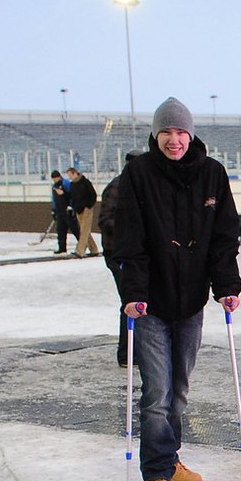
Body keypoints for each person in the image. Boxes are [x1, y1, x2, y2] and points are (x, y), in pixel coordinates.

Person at [114, 97, 241, 481]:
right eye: (166, 132)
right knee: (157, 392)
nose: (174, 140)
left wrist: (226, 285)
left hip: (191, 303)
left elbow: (224, 238)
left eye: (180, 132)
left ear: (191, 134)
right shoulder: (138, 174)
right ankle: (155, 474)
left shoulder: (212, 175)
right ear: (156, 134)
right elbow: (127, 239)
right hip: (150, 304)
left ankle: (169, 460)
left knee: (180, 391)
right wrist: (132, 293)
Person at [99, 150, 144, 367]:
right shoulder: (118, 186)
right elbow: (105, 220)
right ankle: (127, 354)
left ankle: (137, 351)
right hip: (117, 254)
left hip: (134, 254)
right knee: (130, 301)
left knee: (139, 301)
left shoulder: (140, 186)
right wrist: (129, 230)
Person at [65, 167, 99, 256]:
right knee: (84, 230)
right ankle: (94, 249)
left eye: (70, 175)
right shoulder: (73, 185)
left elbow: (93, 195)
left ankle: (80, 251)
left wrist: (88, 206)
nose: (69, 177)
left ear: (74, 173)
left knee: (84, 230)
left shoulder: (85, 182)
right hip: (78, 209)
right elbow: (73, 197)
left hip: (86, 209)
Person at [49, 169, 80, 256]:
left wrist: (71, 206)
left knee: (75, 230)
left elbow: (72, 195)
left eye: (56, 178)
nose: (55, 180)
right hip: (60, 211)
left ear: (59, 177)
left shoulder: (66, 183)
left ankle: (82, 245)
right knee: (60, 230)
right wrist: (54, 210)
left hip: (67, 210)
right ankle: (62, 248)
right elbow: (54, 199)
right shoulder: (54, 186)